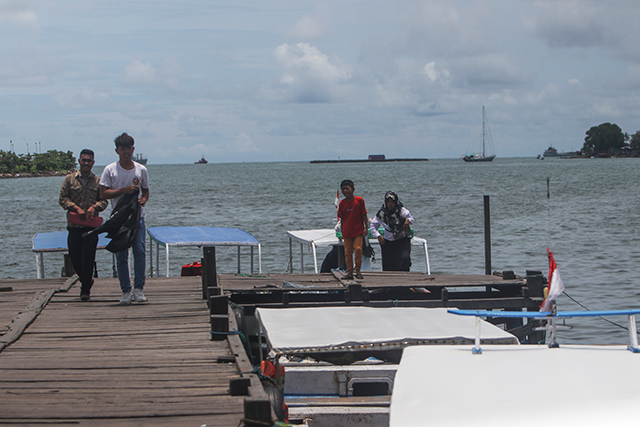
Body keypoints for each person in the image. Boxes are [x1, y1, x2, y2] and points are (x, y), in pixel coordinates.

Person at [100, 133, 150, 305]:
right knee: (121, 254)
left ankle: (139, 289)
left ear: (133, 149)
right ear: (117, 151)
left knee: (140, 252)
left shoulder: (141, 170)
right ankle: (125, 290)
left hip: (137, 218)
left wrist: (144, 199)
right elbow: (103, 193)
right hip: (118, 219)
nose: (126, 152)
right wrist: (123, 190)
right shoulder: (110, 170)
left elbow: (146, 190)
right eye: (122, 149)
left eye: (128, 148)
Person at [59, 149, 108, 301]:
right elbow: (62, 198)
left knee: (88, 258)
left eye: (89, 160)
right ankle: (87, 280)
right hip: (74, 226)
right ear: (79, 161)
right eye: (84, 160)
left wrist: (94, 207)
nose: (86, 163)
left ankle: (85, 290)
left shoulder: (98, 181)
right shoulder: (69, 179)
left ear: (93, 163)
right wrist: (76, 208)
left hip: (91, 227)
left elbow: (104, 200)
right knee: (74, 257)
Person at [370, 191, 414, 271]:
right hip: (388, 241)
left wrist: (407, 220)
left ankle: (405, 278)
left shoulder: (402, 210)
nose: (390, 204)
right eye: (388, 202)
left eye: (392, 202)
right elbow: (373, 226)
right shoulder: (382, 213)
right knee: (389, 265)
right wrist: (378, 236)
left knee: (405, 258)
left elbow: (412, 220)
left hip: (402, 239)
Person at [337, 179, 368, 280]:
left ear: (353, 189)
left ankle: (358, 271)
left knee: (358, 249)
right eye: (343, 189)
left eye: (347, 188)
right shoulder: (342, 203)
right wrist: (341, 231)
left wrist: (365, 228)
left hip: (358, 231)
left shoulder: (359, 200)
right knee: (348, 252)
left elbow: (364, 215)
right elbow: (342, 218)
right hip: (347, 232)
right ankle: (350, 272)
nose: (345, 191)